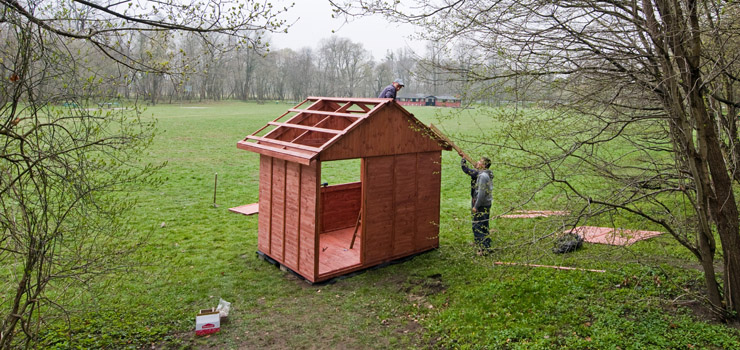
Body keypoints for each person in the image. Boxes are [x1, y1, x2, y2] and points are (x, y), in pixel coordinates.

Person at [461, 155, 493, 255]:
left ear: (484, 165)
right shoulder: (484, 174)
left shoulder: (482, 176)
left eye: (480, 161)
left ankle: (482, 249)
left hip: (481, 205)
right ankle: (486, 246)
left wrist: (476, 206)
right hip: (485, 204)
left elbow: (481, 193)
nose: (477, 162)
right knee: (484, 225)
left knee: (478, 226)